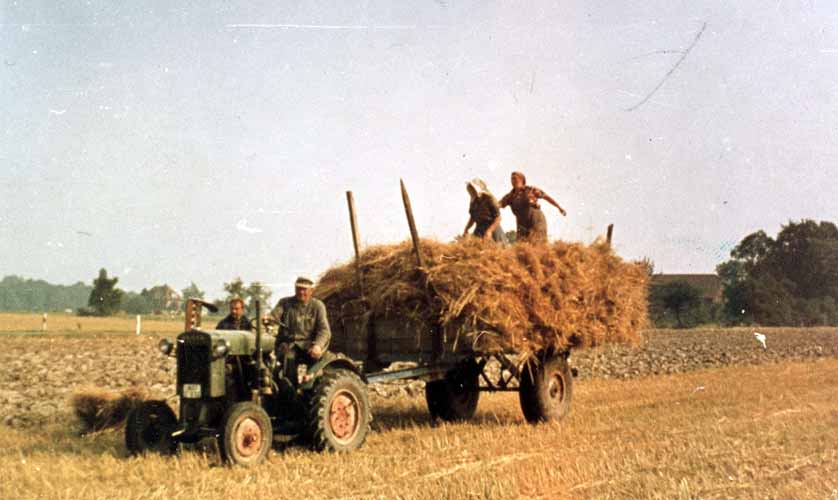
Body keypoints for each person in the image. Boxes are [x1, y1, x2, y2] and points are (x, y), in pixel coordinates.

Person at [264, 277, 331, 384]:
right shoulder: (285, 303)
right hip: (289, 344)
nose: (301, 292)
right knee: (288, 359)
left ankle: (311, 386)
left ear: (311, 291)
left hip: (309, 345)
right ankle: (290, 392)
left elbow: (324, 330)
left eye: (304, 289)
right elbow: (274, 316)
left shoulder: (317, 306)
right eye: (298, 289)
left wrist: (318, 345)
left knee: (318, 365)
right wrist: (268, 319)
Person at [499, 171, 567, 242]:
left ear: (522, 180)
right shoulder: (510, 196)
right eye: (511, 179)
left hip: (536, 220)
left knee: (537, 243)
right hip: (522, 223)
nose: (513, 181)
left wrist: (559, 207)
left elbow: (546, 197)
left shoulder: (530, 189)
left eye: (515, 179)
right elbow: (498, 204)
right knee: (521, 246)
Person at [463, 178, 506, 243]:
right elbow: (472, 218)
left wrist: (489, 231)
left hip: (492, 229)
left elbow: (498, 218)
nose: (471, 191)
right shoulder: (473, 202)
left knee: (496, 250)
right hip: (479, 229)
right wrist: (466, 229)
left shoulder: (489, 199)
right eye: (470, 190)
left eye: (473, 189)